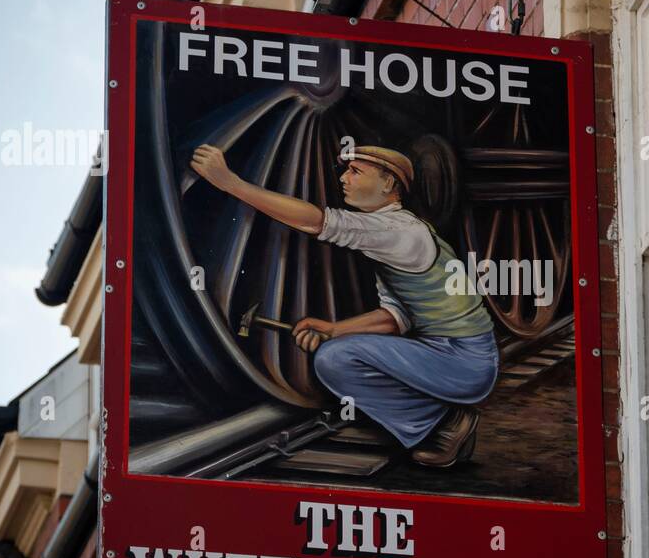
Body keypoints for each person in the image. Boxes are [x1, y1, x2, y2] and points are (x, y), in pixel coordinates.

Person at [189, 142, 497, 467]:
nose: (343, 179)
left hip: (463, 361)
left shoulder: (400, 232)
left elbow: (318, 222)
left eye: (355, 171)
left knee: (335, 358)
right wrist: (335, 329)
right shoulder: (398, 237)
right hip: (459, 357)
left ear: (388, 183)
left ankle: (441, 422)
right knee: (335, 356)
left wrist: (232, 183)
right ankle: (446, 422)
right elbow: (396, 318)